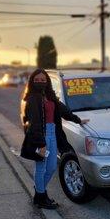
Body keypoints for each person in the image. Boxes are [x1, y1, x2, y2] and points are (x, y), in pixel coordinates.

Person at [20, 69, 89, 209]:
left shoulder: (50, 96)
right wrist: (41, 144)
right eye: (37, 80)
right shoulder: (33, 98)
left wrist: (78, 120)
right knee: (41, 167)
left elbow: (63, 111)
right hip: (41, 135)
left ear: (47, 81)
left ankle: (39, 191)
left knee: (51, 167)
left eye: (43, 80)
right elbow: (35, 123)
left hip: (52, 133)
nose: (40, 82)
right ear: (32, 81)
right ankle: (40, 196)